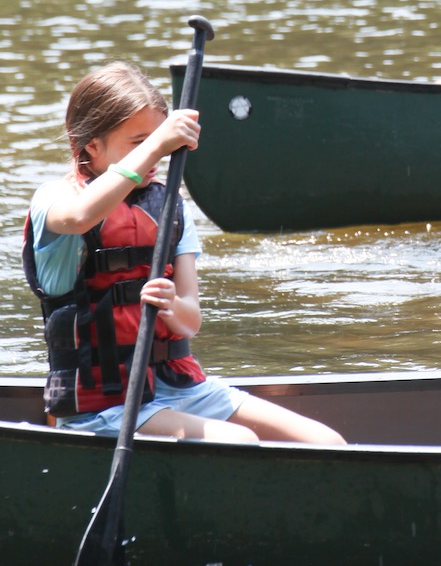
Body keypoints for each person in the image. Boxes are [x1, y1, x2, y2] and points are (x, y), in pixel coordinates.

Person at [23, 61, 346, 446]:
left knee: (325, 443)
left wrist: (171, 305)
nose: (155, 155)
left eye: (158, 140)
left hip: (181, 388)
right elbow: (80, 216)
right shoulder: (56, 199)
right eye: (139, 142)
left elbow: (190, 321)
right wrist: (159, 143)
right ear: (92, 145)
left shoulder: (169, 207)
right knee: (237, 442)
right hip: (103, 407)